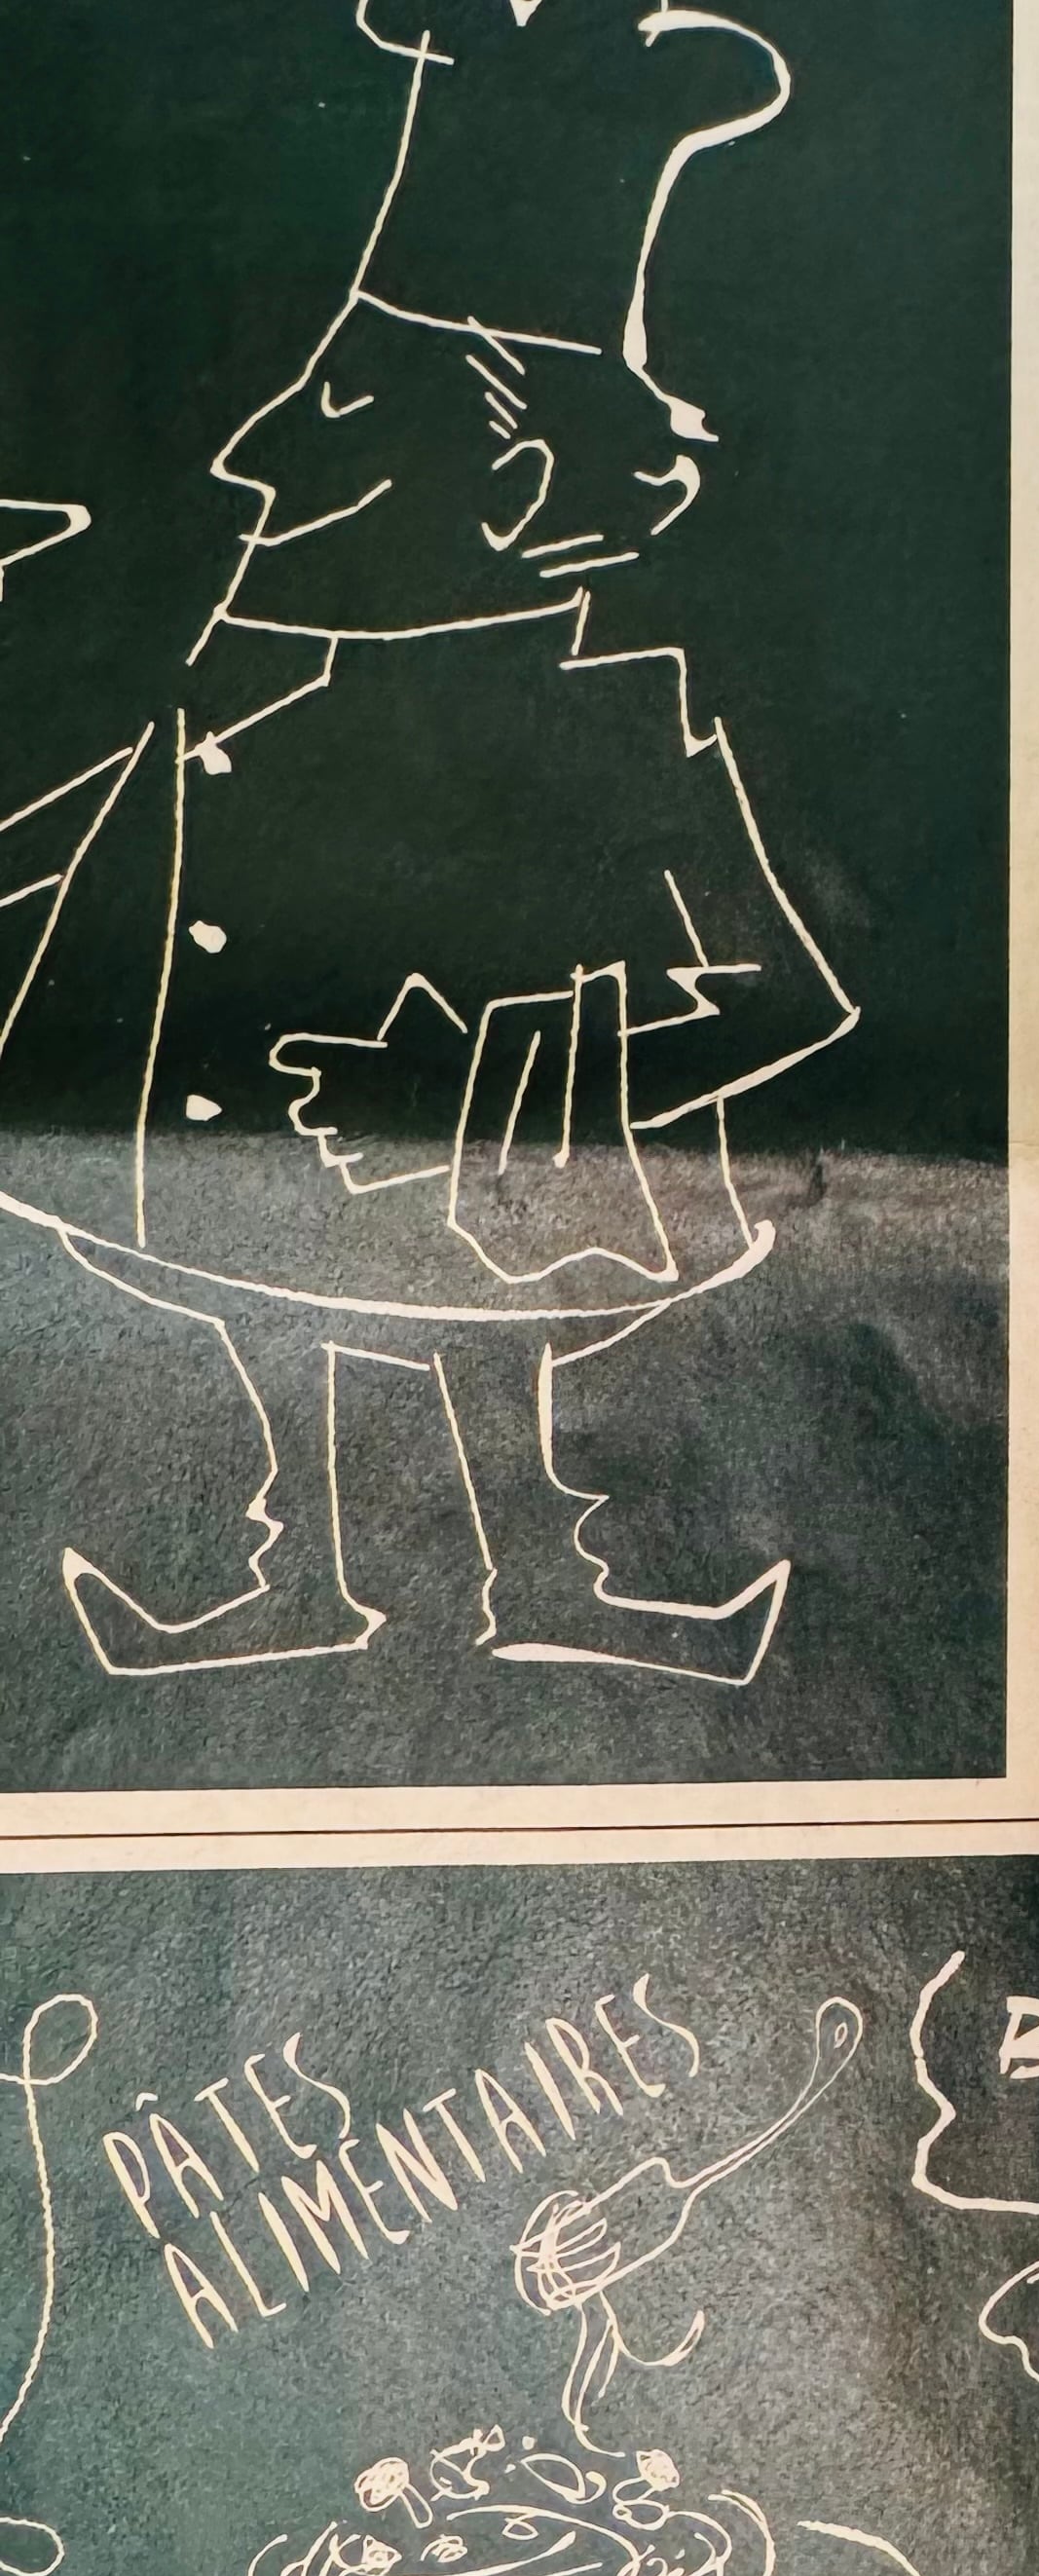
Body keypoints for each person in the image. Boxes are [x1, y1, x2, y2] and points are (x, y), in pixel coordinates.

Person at [0, 0, 851, 1679]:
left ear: (509, 481)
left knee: (471, 1333)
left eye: (335, 406)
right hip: (243, 1166)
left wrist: (492, 1077)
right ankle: (305, 1582)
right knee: (287, 1307)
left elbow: (780, 997)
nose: (255, 452)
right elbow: (67, 839)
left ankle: (546, 1583)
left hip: (500, 1190)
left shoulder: (608, 720)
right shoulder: (234, 691)